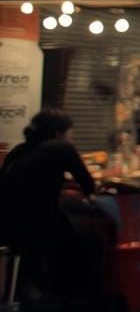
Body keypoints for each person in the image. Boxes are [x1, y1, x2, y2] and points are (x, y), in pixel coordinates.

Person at [0, 110, 105, 301]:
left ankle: (35, 288)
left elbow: (31, 181)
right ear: (59, 133)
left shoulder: (18, 151)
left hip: (7, 228)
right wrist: (89, 194)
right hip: (36, 229)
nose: (72, 138)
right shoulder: (61, 147)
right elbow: (88, 184)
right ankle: (72, 299)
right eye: (70, 133)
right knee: (91, 241)